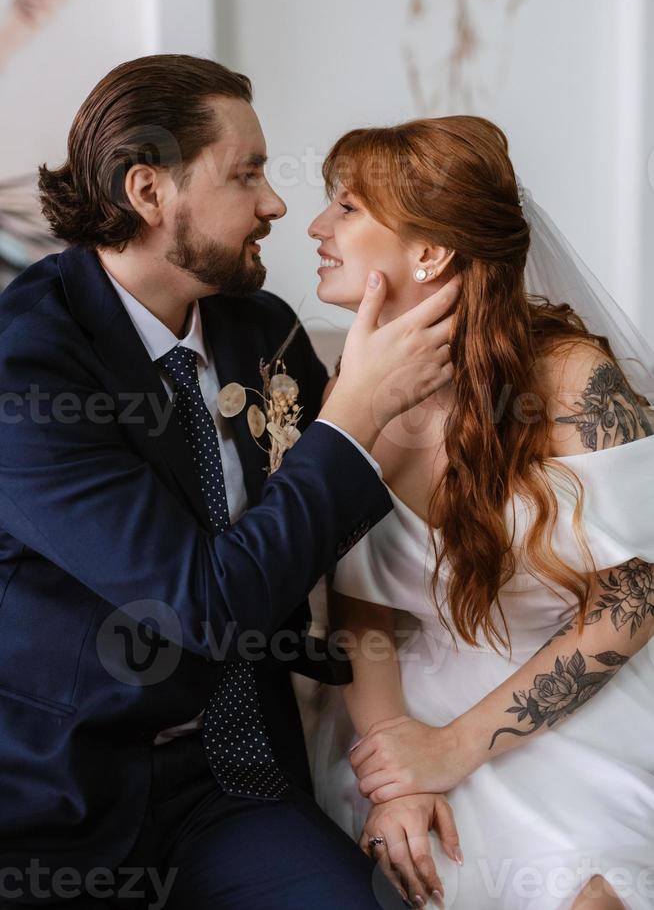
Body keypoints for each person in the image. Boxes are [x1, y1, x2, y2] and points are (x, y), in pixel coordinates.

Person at [0, 55, 460, 909]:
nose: (277, 203)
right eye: (246, 173)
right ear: (149, 191)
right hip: (58, 800)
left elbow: (364, 532)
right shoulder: (25, 364)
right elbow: (197, 604)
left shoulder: (265, 330)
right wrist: (350, 414)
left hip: (238, 776)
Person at [306, 115, 654, 910]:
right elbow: (361, 612)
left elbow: (633, 604)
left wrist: (454, 750)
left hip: (573, 682)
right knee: (446, 864)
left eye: (347, 208)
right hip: (401, 697)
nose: (318, 227)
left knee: (592, 886)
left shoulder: (571, 379)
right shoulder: (347, 392)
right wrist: (396, 773)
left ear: (429, 253)